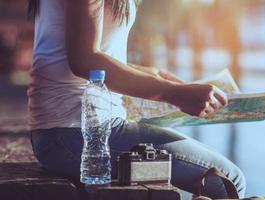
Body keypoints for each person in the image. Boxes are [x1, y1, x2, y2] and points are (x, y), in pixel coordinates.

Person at [27, 0, 246, 199]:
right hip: (76, 135)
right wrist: (174, 93)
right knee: (226, 180)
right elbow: (84, 60)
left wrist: (156, 75)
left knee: (225, 178)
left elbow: (95, 54)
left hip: (71, 132)